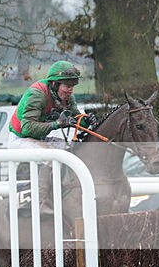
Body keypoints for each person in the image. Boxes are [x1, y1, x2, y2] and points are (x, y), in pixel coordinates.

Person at [8, 60, 95, 214]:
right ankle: (40, 203)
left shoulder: (66, 97)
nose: (70, 91)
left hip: (39, 138)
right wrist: (57, 124)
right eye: (67, 86)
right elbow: (27, 128)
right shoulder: (37, 94)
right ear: (54, 84)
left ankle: (65, 191)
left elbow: (77, 118)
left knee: (70, 150)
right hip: (20, 138)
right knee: (50, 157)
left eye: (72, 86)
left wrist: (87, 120)